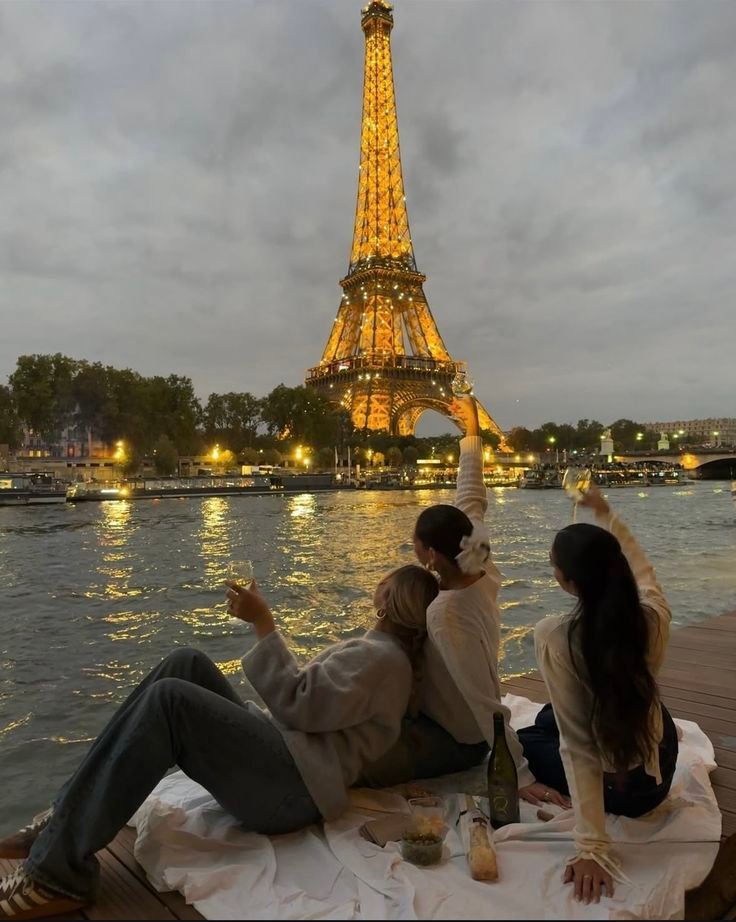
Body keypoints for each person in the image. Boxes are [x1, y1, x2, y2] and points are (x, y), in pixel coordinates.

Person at [0, 564, 438, 921]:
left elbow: (297, 705)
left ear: (389, 601)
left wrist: (263, 622)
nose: (375, 585)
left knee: (169, 701)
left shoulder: (378, 659)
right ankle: (64, 819)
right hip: (290, 769)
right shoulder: (385, 658)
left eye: (384, 583)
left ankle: (56, 875)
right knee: (185, 663)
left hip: (291, 789)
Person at [362, 396, 568, 810]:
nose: (413, 551)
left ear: (431, 556)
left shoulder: (445, 613)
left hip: (456, 735)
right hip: (459, 721)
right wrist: (471, 431)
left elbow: (481, 699)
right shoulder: (480, 561)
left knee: (356, 758)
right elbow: (471, 495)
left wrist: (520, 773)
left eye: (416, 545)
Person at [521, 485, 678, 905]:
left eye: (553, 567)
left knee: (529, 739)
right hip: (660, 753)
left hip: (627, 791)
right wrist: (608, 516)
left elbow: (579, 748)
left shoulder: (557, 637)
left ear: (569, 583)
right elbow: (643, 571)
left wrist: (592, 848)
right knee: (547, 719)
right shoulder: (652, 618)